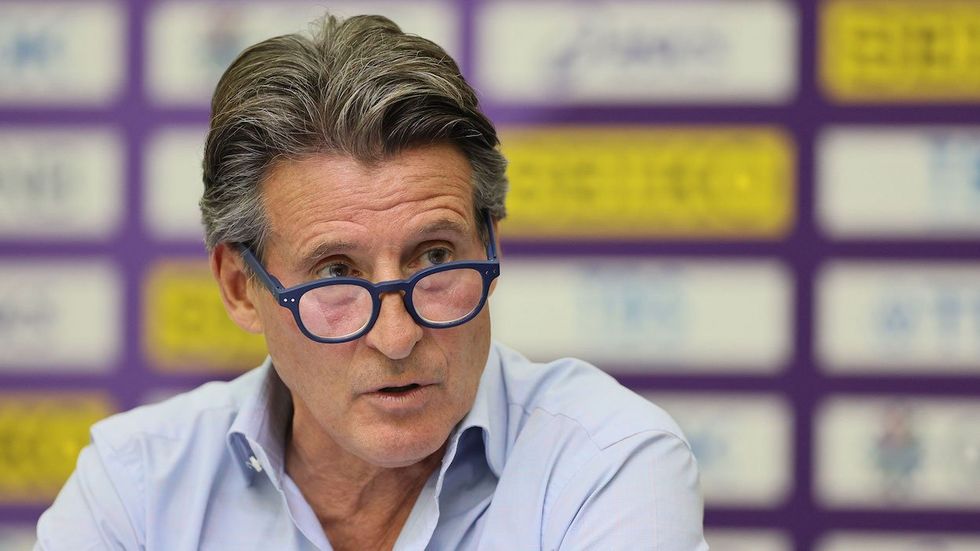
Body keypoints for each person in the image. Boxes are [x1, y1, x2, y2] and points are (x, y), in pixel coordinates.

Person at [36, 13, 707, 550]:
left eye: (435, 258)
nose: (397, 336)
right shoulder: (137, 485)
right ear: (241, 288)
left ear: (490, 245)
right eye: (336, 272)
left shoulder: (606, 460)